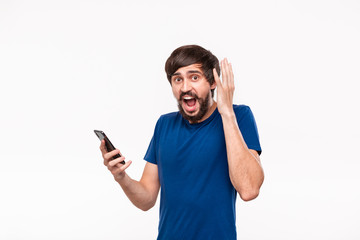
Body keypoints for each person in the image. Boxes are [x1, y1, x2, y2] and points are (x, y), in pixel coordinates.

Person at [100, 45, 264, 239]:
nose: (185, 87)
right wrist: (121, 177)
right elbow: (146, 199)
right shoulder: (164, 124)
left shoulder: (239, 116)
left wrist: (227, 112)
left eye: (194, 77)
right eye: (178, 79)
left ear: (213, 82)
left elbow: (249, 189)